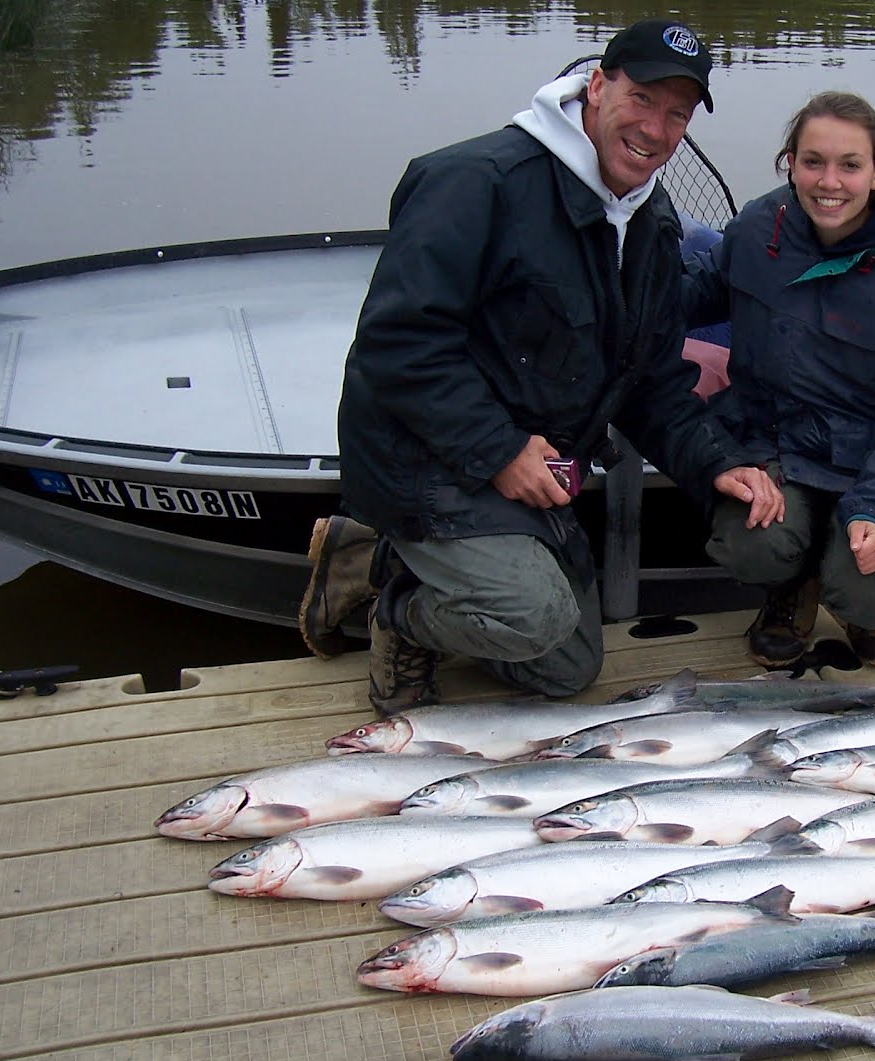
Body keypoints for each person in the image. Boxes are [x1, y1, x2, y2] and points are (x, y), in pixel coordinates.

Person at [299, 18, 782, 714]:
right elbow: (396, 345)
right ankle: (400, 610)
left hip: (532, 475)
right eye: (642, 99)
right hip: (427, 462)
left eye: (677, 114)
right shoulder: (474, 182)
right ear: (596, 86)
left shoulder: (651, 221)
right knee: (534, 619)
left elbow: (649, 381)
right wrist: (498, 451)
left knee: (566, 670)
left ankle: (380, 561)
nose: (656, 128)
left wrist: (716, 462)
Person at [681, 91, 875, 670]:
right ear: (788, 162)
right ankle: (790, 586)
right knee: (753, 545)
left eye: (850, 165)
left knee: (871, 589)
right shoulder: (758, 229)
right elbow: (694, 295)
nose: (830, 182)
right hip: (777, 445)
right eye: (812, 161)